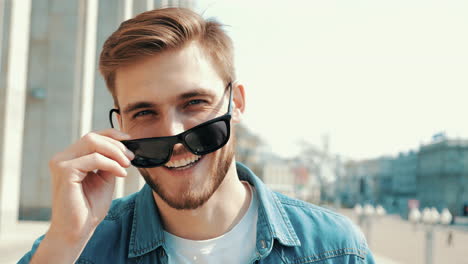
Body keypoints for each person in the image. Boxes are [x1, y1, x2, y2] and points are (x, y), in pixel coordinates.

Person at [20, 8, 374, 264]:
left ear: (235, 103)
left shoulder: (335, 249)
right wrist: (65, 242)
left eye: (193, 102)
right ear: (119, 124)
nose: (173, 135)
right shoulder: (76, 249)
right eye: (144, 112)